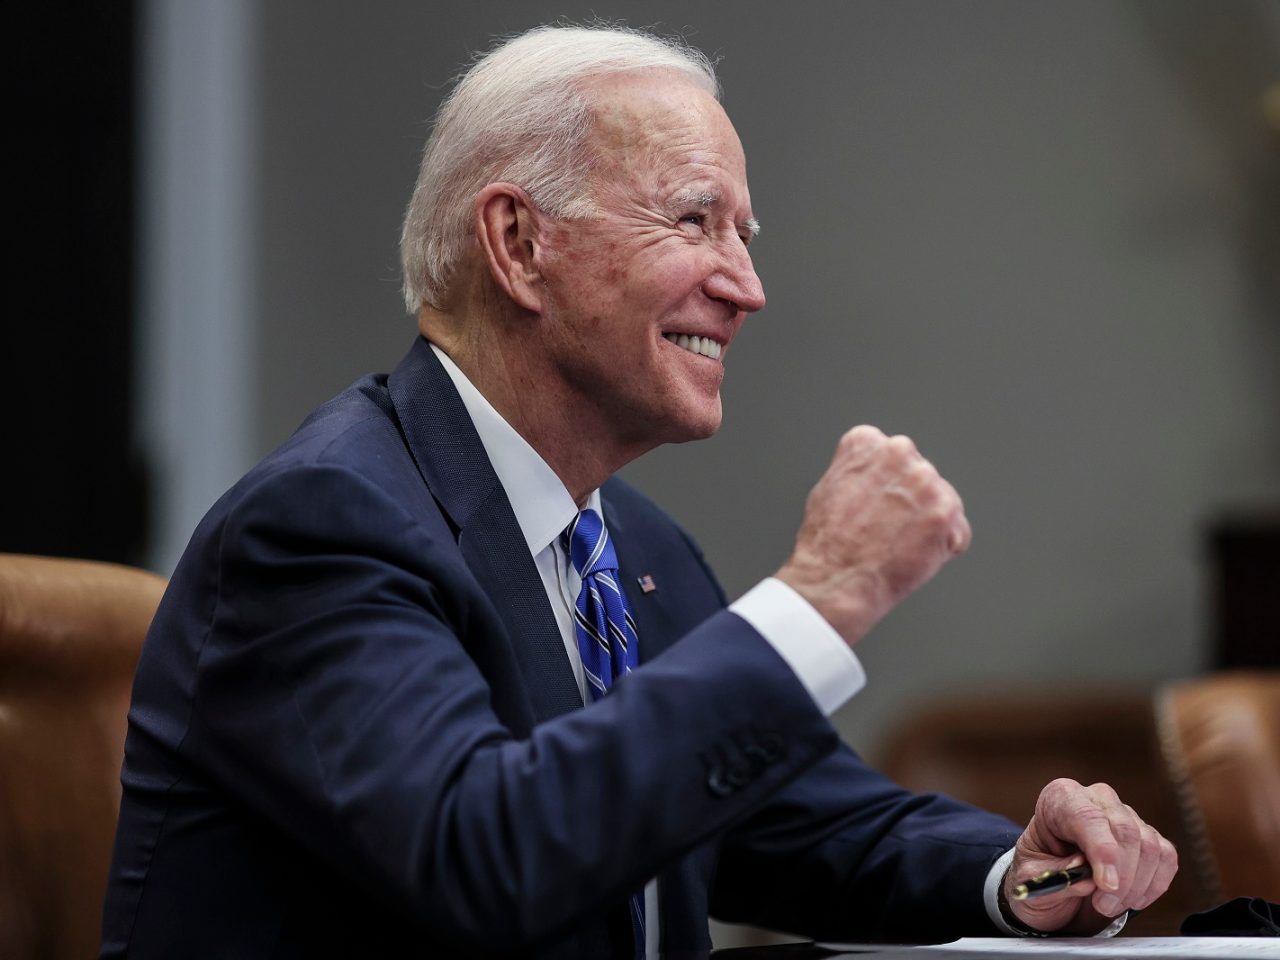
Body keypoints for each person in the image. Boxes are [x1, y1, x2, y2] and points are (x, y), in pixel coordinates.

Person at [100, 24, 1177, 959]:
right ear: (519, 244)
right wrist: (823, 593)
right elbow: (484, 855)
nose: (746, 288)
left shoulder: (628, 549)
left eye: (743, 238)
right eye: (694, 221)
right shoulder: (322, 528)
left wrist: (1018, 875)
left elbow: (791, 820)